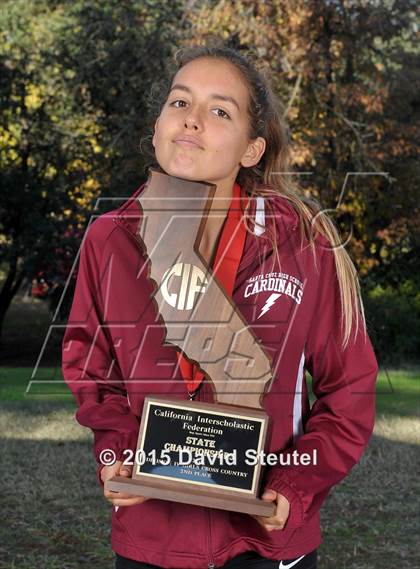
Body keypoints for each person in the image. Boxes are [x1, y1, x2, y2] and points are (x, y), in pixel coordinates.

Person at [62, 45, 378, 569]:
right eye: (179, 102)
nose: (191, 120)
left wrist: (295, 485)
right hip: (151, 539)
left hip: (265, 539)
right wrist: (116, 457)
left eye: (220, 111)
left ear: (251, 150)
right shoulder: (108, 240)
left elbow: (350, 390)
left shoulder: (306, 244)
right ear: (158, 125)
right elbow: (94, 374)